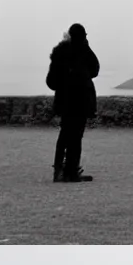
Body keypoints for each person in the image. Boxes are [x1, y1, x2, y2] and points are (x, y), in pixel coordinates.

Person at [46, 23, 100, 182]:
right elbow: (95, 70)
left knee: (65, 135)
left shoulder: (59, 53)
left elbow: (51, 82)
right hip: (81, 100)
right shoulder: (84, 50)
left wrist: (63, 83)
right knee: (76, 137)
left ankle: (59, 171)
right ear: (84, 37)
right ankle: (71, 171)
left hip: (65, 101)